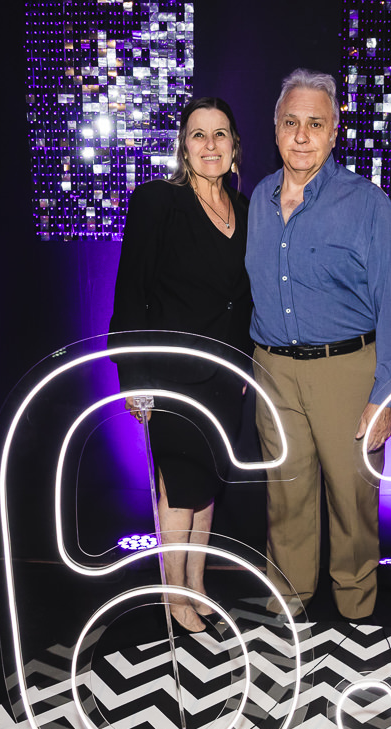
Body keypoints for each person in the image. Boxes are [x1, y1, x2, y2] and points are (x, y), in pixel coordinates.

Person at [246, 69, 391, 620]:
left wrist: (385, 395)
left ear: (335, 131)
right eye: (290, 122)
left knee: (352, 500)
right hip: (273, 371)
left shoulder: (366, 204)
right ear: (275, 128)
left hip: (347, 372)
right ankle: (287, 605)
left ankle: (357, 612)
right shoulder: (257, 200)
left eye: (315, 124)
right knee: (286, 496)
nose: (301, 136)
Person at [110, 96, 251, 633]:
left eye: (220, 134)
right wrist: (133, 378)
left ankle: (196, 583)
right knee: (176, 486)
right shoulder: (157, 202)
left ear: (235, 146)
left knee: (207, 483)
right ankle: (174, 596)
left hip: (225, 376)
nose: (210, 145)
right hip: (171, 374)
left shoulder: (243, 207)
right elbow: (131, 295)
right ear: (183, 147)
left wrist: (243, 368)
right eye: (198, 134)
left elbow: (243, 300)